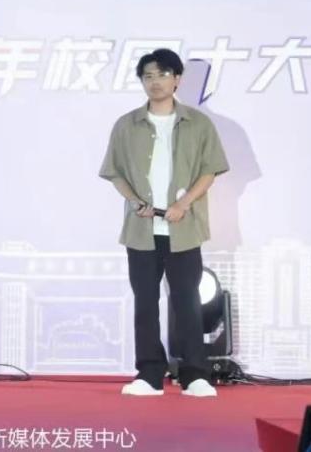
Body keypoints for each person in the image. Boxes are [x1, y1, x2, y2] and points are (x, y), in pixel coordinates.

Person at [99, 48, 229, 397]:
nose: (155, 82)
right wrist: (135, 201)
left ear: (177, 79)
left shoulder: (198, 123)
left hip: (184, 228)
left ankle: (195, 374)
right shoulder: (127, 124)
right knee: (145, 302)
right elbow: (114, 172)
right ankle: (149, 374)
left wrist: (184, 204)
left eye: (163, 75)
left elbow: (210, 170)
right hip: (141, 230)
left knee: (187, 302)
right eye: (148, 76)